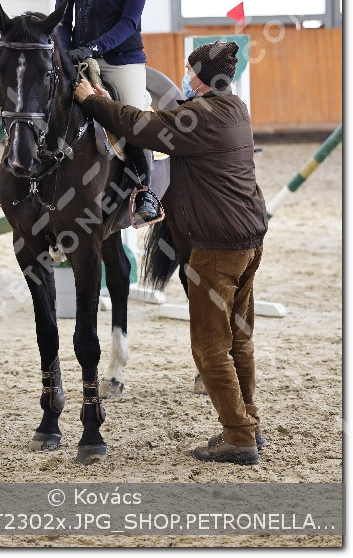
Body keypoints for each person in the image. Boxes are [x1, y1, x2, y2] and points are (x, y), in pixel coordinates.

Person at [74, 40, 269, 465]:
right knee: (239, 338)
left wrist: (93, 102)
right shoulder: (236, 109)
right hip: (249, 241)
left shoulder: (198, 117)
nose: (184, 75)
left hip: (216, 249)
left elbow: (141, 126)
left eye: (188, 70)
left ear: (199, 77)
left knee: (210, 347)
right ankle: (249, 421)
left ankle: (238, 437)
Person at [55, 0, 159, 224]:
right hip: (80, 58)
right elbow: (61, 18)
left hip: (122, 58)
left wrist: (96, 47)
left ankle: (145, 191)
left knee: (134, 113)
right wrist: (65, 50)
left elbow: (130, 21)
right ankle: (19, 174)